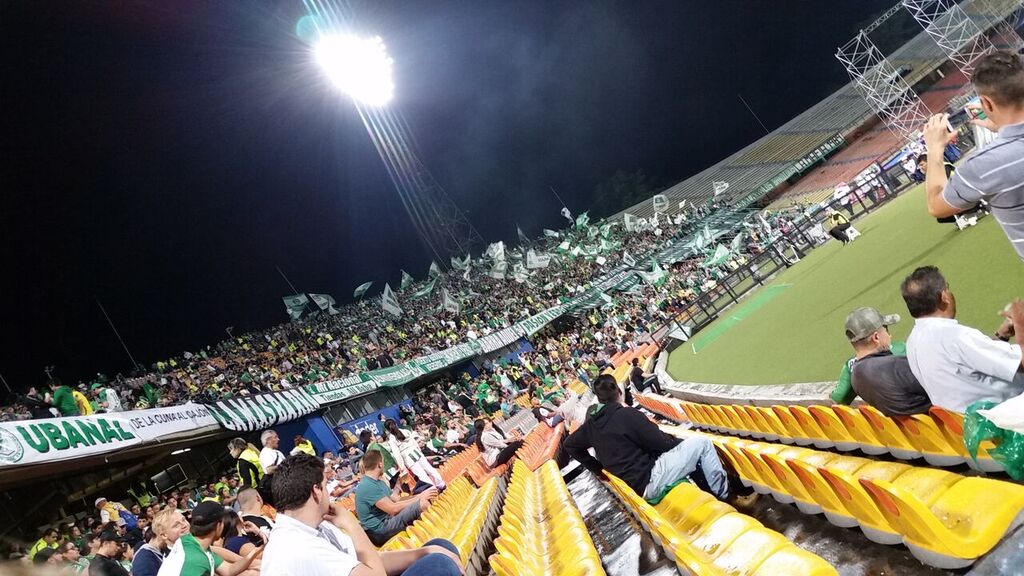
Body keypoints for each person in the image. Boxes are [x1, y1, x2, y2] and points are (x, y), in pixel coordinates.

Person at [260, 453, 462, 576]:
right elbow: (376, 573)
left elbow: (372, 561)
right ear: (316, 491)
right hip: (380, 534)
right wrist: (352, 524)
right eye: (325, 485)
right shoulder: (295, 547)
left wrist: (425, 552)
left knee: (440, 547)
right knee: (440, 564)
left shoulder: (316, 526)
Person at [565, 374, 732, 503]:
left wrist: (598, 469)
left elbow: (569, 445)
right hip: (649, 480)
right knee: (702, 444)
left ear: (599, 399)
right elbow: (663, 443)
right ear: (618, 391)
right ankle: (724, 496)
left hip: (634, 485)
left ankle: (713, 491)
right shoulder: (626, 414)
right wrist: (678, 442)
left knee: (685, 450)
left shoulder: (591, 425)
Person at [921, 51, 1024, 261]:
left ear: (986, 103)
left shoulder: (984, 165)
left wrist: (934, 149)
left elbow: (936, 205)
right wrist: (1003, 128)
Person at [901, 266, 1024, 412]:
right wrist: (1020, 324)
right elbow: (1020, 363)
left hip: (968, 420)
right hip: (1006, 414)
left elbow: (969, 364)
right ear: (944, 296)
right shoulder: (953, 336)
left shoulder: (912, 342)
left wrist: (1001, 336)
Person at [831, 308, 931, 416]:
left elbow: (838, 399)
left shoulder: (855, 376)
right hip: (935, 421)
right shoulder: (895, 366)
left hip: (905, 425)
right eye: (886, 330)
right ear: (876, 337)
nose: (889, 336)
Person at [354, 450, 438, 545]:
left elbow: (397, 499)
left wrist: (400, 485)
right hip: (379, 531)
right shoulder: (367, 486)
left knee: (422, 499)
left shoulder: (377, 482)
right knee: (422, 504)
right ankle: (437, 537)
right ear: (380, 464)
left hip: (387, 521)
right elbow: (393, 509)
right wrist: (420, 497)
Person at [157, 501, 261, 576]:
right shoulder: (192, 560)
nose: (184, 525)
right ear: (219, 526)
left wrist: (256, 551)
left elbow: (228, 570)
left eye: (183, 520)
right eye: (176, 525)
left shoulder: (192, 543)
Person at [383, 419, 446, 490]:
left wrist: (402, 466)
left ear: (387, 430)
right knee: (429, 469)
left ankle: (432, 489)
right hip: (416, 451)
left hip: (407, 457)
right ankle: (441, 484)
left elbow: (397, 454)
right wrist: (419, 451)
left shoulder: (391, 439)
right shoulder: (405, 431)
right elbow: (414, 442)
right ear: (396, 424)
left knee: (421, 475)